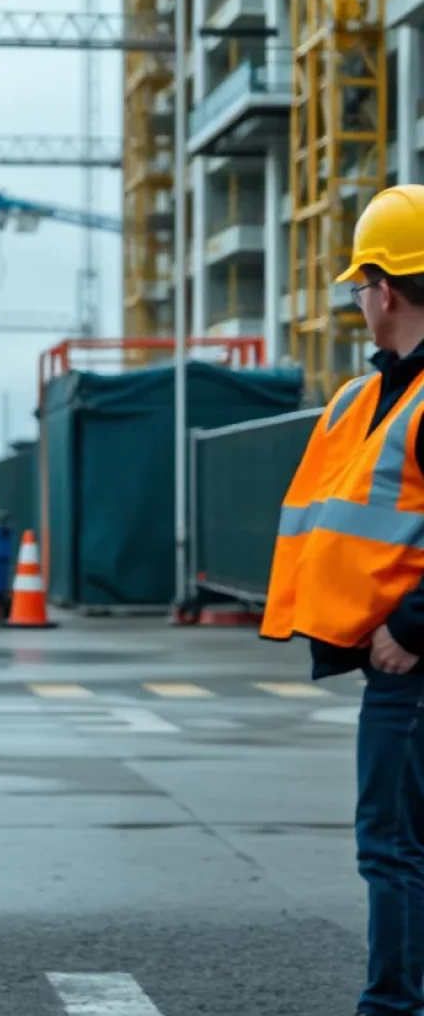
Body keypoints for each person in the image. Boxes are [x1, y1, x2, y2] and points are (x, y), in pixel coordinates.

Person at [260, 184, 424, 1016]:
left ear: (385, 289)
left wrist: (412, 626)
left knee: (393, 850)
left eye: (361, 287)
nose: (359, 303)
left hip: (410, 665)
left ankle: (392, 1010)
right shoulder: (367, 397)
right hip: (387, 656)